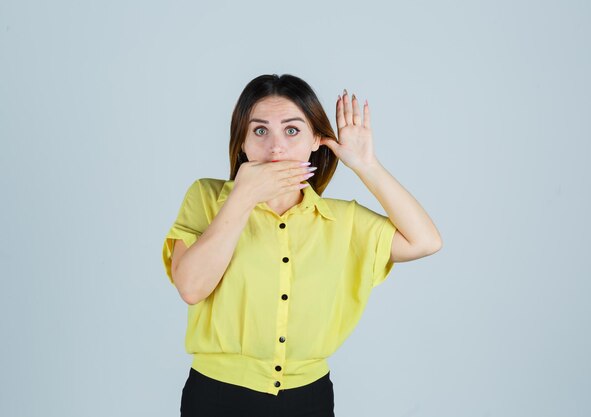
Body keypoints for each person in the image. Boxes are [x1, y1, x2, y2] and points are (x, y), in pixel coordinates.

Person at [161, 74, 442, 417]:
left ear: (315, 140)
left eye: (292, 130)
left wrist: (366, 165)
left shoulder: (343, 221)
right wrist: (242, 198)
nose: (276, 147)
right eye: (260, 131)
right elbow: (190, 287)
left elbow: (425, 241)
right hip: (216, 396)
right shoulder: (206, 198)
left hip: (309, 399)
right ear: (242, 144)